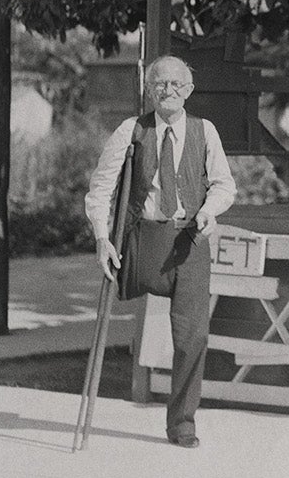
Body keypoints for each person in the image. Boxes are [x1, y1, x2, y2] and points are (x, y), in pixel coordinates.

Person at [83, 54, 236, 448]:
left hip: (190, 242)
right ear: (148, 90)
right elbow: (101, 190)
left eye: (176, 85)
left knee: (191, 338)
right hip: (142, 241)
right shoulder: (130, 130)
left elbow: (224, 186)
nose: (168, 91)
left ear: (189, 90)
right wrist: (102, 239)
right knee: (114, 308)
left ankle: (182, 424)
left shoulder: (205, 131)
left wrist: (208, 211)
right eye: (159, 84)